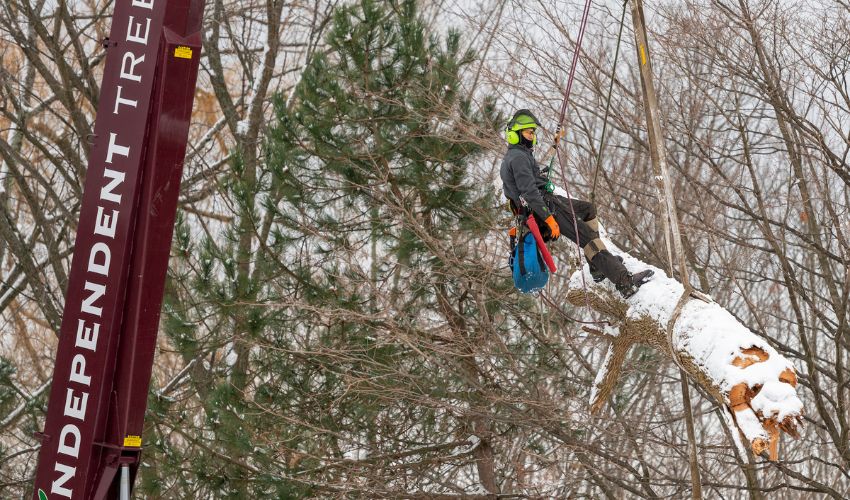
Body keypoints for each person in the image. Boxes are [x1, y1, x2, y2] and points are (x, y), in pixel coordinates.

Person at [500, 109, 653, 298]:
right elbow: (529, 192)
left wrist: (555, 143)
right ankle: (625, 283)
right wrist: (549, 219)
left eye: (533, 132)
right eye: (529, 132)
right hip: (543, 209)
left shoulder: (521, 155)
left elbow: (533, 177)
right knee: (588, 239)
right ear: (515, 134)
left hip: (546, 202)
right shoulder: (518, 158)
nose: (532, 136)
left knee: (588, 209)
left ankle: (597, 267)